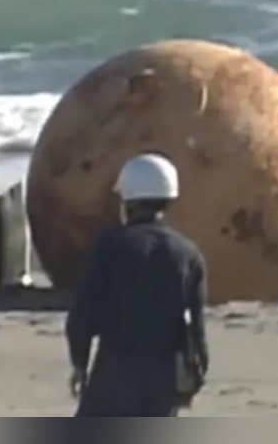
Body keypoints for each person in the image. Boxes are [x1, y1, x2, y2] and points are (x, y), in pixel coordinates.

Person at [66, 154, 209, 417]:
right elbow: (195, 327)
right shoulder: (189, 254)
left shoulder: (110, 245)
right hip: (163, 376)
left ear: (128, 201)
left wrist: (79, 363)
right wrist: (195, 373)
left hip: (114, 370)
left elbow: (83, 313)